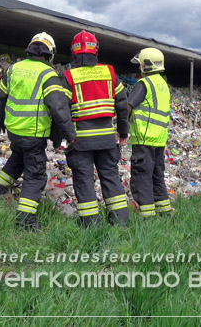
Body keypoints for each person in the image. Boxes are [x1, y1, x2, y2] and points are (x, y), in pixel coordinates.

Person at [0, 32, 76, 232]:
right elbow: (59, 108)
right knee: (35, 175)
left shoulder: (14, 69)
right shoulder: (48, 75)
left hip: (14, 130)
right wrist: (70, 134)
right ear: (50, 54)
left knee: (18, 157)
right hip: (33, 133)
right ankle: (25, 219)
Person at [61, 31, 130, 227]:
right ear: (96, 50)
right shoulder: (109, 72)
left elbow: (61, 109)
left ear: (74, 52)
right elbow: (123, 104)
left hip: (80, 140)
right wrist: (123, 132)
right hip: (107, 140)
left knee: (84, 180)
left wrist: (64, 135)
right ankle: (120, 223)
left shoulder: (68, 76)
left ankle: (91, 225)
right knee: (110, 176)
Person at [127, 48, 172, 218]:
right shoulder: (163, 85)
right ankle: (164, 212)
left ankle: (147, 217)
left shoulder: (144, 84)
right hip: (159, 140)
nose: (139, 68)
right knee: (157, 176)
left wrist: (120, 124)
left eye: (140, 65)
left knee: (142, 178)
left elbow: (128, 107)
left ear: (146, 65)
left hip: (144, 139)